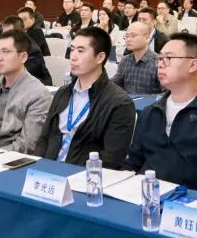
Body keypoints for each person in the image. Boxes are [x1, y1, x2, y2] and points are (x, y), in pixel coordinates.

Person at [123, 33, 197, 195]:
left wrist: (188, 204)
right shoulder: (150, 112)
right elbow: (133, 163)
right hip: (145, 198)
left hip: (190, 202)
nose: (161, 64)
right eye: (160, 58)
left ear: (193, 65)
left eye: (169, 58)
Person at [33, 27, 135, 168]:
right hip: (48, 171)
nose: (73, 57)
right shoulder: (63, 93)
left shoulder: (119, 103)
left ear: (100, 57)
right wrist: (36, 167)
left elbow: (111, 159)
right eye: (72, 49)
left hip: (83, 175)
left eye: (81, 51)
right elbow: (44, 138)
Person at [0, 16, 52, 86]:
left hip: (36, 86)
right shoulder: (2, 47)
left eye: (9, 34)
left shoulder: (32, 50)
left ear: (20, 32)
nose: (5, 37)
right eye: (4, 33)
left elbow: (20, 75)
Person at [111, 21, 161, 95]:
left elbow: (166, 93)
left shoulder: (158, 62)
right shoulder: (125, 60)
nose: (128, 39)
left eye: (133, 36)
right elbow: (114, 84)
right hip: (127, 101)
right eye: (126, 36)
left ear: (147, 38)